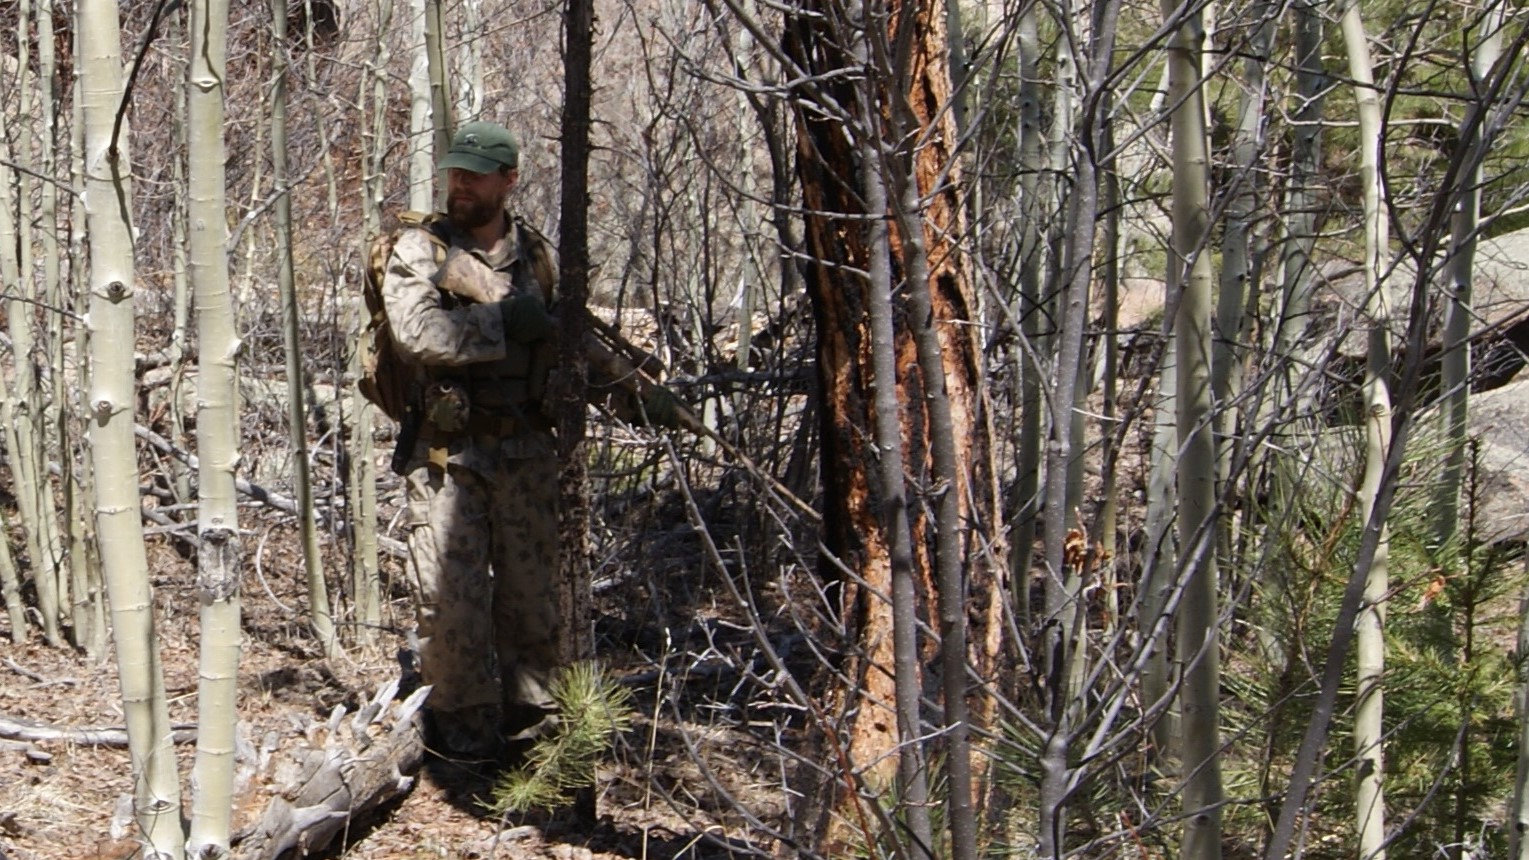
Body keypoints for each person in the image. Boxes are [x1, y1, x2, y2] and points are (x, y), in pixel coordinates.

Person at [382, 121, 573, 760]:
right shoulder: (421, 249)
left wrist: (640, 396)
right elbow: (417, 334)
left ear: (509, 180)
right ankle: (457, 746)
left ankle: (535, 746)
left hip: (527, 455)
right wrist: (500, 322)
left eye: (474, 175)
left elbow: (568, 345)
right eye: (454, 173)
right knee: (448, 609)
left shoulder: (539, 257)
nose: (459, 185)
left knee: (533, 605)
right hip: (446, 458)